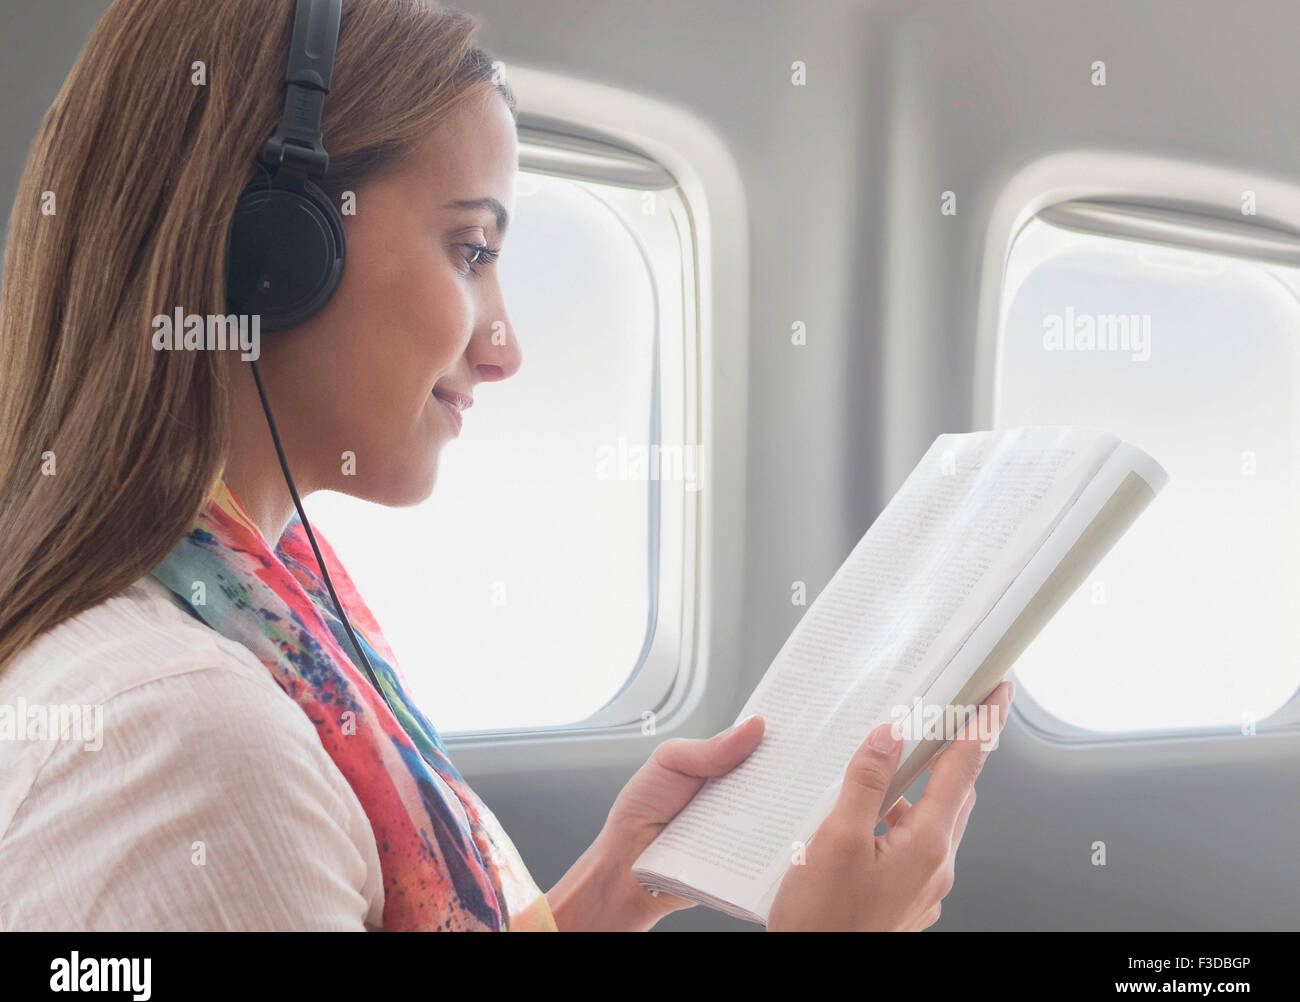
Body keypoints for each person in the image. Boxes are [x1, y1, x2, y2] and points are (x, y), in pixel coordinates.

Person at [0, 0, 1013, 931]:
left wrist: (611, 888)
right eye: (470, 250)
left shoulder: (256, 589)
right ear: (271, 251)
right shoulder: (186, 740)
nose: (504, 348)